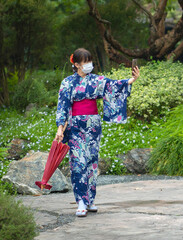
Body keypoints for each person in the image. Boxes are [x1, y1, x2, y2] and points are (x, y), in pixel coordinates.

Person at [55, 48, 140, 217]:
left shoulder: (97, 80)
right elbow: (63, 107)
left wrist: (132, 79)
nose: (89, 65)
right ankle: (80, 201)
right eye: (85, 62)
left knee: (92, 163)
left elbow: (114, 86)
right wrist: (60, 128)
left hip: (93, 127)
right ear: (77, 64)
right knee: (78, 162)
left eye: (90, 61)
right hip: (75, 127)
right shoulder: (67, 83)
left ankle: (90, 199)